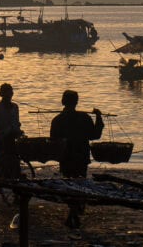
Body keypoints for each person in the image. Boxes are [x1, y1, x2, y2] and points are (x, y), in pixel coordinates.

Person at [50, 90, 104, 228]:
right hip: (81, 156)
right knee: (79, 184)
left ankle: (73, 212)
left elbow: (53, 141)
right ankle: (74, 212)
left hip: (66, 157)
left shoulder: (57, 120)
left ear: (63, 102)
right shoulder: (84, 118)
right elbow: (95, 135)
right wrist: (99, 117)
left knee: (69, 185)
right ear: (76, 102)